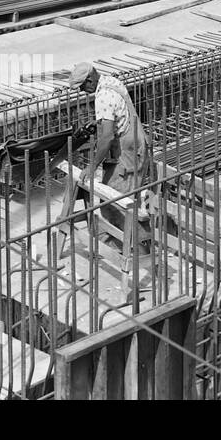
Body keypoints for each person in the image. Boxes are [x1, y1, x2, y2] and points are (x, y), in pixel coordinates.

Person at [68, 62, 156, 297]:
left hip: (127, 155)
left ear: (89, 81)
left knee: (120, 204)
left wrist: (92, 165)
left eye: (82, 88)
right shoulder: (111, 82)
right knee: (125, 200)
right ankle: (120, 246)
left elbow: (106, 138)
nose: (82, 93)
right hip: (136, 145)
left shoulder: (102, 97)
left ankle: (139, 258)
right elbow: (115, 121)